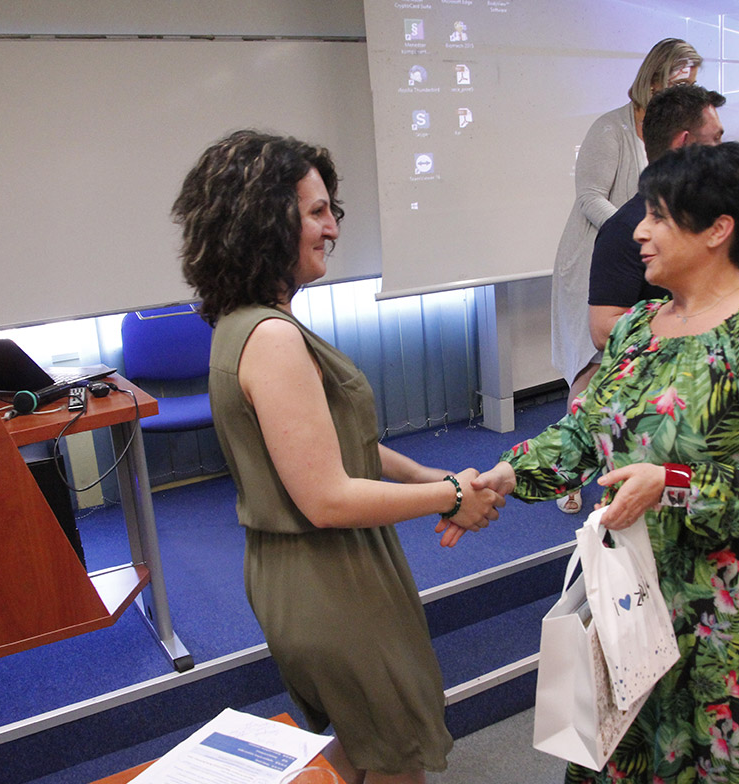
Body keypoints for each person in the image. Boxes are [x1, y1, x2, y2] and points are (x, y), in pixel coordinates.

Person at [460, 143, 739, 783]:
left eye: (658, 216)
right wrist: (510, 475)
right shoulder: (638, 327)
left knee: (718, 758)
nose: (639, 232)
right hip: (625, 593)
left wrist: (671, 484)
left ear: (718, 229)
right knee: (622, 749)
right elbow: (586, 430)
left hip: (719, 611)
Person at [173, 130, 504, 784]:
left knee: (357, 748)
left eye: (332, 211)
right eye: (316, 211)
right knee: (394, 758)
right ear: (265, 219)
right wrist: (452, 497)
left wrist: (432, 476)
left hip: (313, 570)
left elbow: (334, 444)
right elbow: (327, 497)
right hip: (330, 576)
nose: (332, 228)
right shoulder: (272, 338)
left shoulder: (246, 324)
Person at [550, 37, 702, 513]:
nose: (686, 88)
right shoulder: (611, 128)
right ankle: (569, 475)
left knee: (636, 368)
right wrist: (635, 232)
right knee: (590, 368)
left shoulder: (669, 133)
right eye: (679, 79)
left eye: (692, 81)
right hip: (597, 257)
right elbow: (589, 196)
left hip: (648, 258)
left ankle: (627, 470)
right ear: (654, 78)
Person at [588, 83, 726, 351]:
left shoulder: (711, 218)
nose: (722, 153)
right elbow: (603, 330)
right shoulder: (624, 229)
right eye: (715, 140)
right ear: (684, 144)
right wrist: (694, 321)